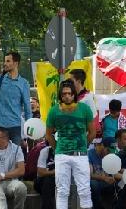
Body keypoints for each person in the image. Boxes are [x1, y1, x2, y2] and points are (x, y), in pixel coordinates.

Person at [45, 79, 96, 209]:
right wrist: (58, 148)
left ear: (74, 94)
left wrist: (84, 146)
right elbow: (48, 134)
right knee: (62, 191)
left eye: (69, 93)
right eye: (64, 94)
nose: (67, 96)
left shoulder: (84, 109)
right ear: (60, 95)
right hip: (62, 155)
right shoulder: (53, 111)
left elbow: (92, 132)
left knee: (85, 190)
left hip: (80, 154)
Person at [89, 139, 119, 209]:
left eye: (111, 152)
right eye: (108, 151)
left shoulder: (111, 156)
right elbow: (90, 175)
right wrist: (104, 178)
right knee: (93, 184)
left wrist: (125, 177)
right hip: (96, 181)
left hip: (106, 181)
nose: (109, 154)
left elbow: (115, 173)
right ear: (102, 146)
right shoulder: (90, 154)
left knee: (120, 184)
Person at [34, 142, 56, 209]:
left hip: (60, 180)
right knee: (48, 180)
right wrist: (55, 172)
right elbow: (41, 172)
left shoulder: (67, 153)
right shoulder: (45, 151)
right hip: (42, 181)